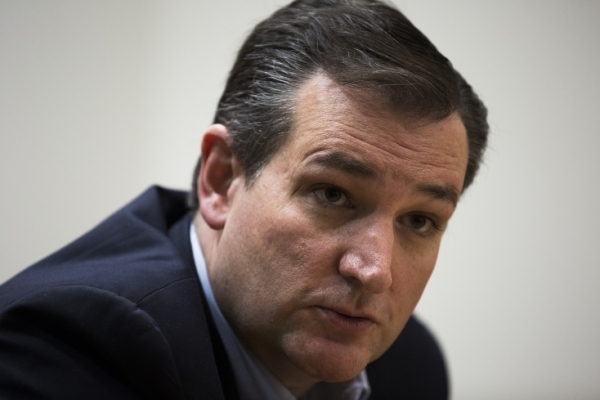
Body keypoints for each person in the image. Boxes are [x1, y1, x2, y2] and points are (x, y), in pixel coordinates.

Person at [0, 0, 488, 399]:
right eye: (332, 194)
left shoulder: (409, 367)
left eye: (420, 221)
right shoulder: (72, 344)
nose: (375, 270)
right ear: (221, 180)